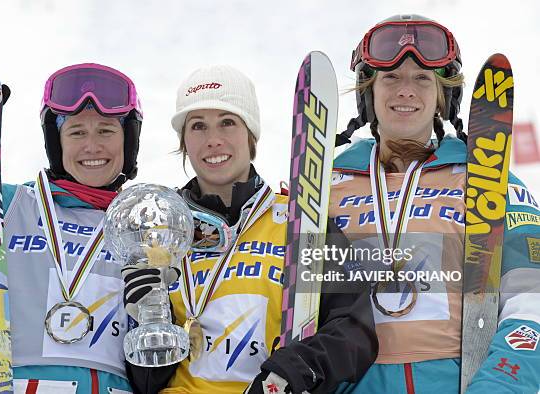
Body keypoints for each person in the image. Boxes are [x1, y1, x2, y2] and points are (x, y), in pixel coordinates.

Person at [122, 65, 378, 394]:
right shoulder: (162, 234)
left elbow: (354, 330)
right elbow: (145, 383)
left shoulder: (299, 220)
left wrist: (289, 375)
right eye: (197, 126)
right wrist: (150, 327)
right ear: (184, 141)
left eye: (227, 122)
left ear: (251, 135)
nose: (213, 140)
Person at [329, 14, 540, 393]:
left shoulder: (489, 181)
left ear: (443, 96)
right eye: (391, 77)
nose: (405, 90)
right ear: (369, 93)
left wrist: (500, 386)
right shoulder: (325, 190)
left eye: (422, 78)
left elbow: (532, 302)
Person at [0, 63, 143, 393]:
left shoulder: (145, 229)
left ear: (128, 142)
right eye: (76, 132)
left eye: (105, 131)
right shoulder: (6, 208)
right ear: (56, 144)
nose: (92, 146)